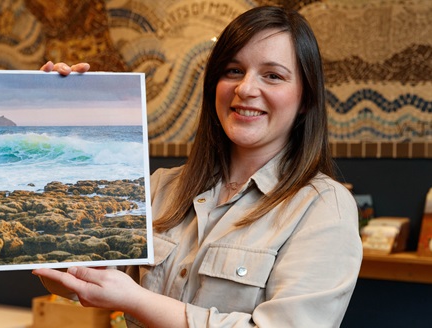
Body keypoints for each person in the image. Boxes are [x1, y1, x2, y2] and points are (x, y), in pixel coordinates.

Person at [33, 5, 363, 328]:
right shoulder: (162, 187)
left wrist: (137, 301)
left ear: (305, 98)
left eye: (273, 76)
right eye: (234, 70)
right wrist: (58, 132)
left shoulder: (324, 208)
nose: (245, 89)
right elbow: (76, 277)